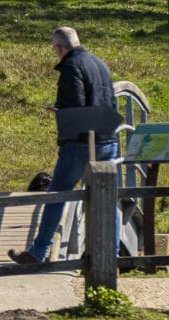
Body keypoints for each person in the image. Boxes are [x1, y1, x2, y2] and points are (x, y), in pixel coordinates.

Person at [9, 27, 123, 266]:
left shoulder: (72, 67)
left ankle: (38, 252)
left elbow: (77, 108)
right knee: (107, 198)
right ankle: (113, 254)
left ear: (59, 48)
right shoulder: (99, 63)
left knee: (57, 196)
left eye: (55, 50)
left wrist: (59, 111)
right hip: (108, 138)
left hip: (81, 142)